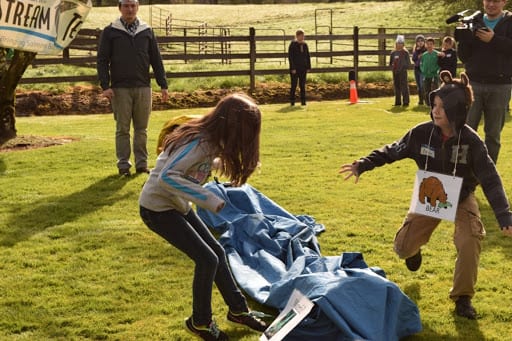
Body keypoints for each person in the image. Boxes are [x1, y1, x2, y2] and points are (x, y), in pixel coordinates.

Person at [339, 71, 512, 320]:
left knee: (470, 240)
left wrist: (504, 215)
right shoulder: (421, 133)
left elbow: (491, 179)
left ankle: (463, 298)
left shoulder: (472, 142)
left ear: (457, 109)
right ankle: (413, 251)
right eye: (434, 105)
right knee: (402, 248)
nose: (435, 111)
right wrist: (363, 164)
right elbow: (392, 151)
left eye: (442, 107)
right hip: (430, 197)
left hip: (462, 197)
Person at [139, 94, 268, 340]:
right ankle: (200, 322)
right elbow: (168, 176)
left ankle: (239, 311)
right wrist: (210, 200)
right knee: (207, 259)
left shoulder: (211, 141)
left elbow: (196, 163)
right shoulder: (200, 141)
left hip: (177, 205)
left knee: (217, 252)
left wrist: (218, 164)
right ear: (231, 125)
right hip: (157, 209)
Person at [97, 0, 169, 177]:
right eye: (126, 6)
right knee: (122, 129)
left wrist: (163, 85)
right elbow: (102, 60)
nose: (129, 9)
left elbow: (156, 60)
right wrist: (105, 86)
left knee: (141, 129)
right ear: (119, 8)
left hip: (143, 87)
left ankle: (142, 165)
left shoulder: (147, 31)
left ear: (137, 8)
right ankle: (123, 166)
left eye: (133, 6)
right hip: (120, 89)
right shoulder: (110, 31)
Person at [455, 0, 512, 164]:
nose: (491, 4)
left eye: (496, 1)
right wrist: (464, 38)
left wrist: (494, 39)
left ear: (504, 2)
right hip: (473, 84)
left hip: (500, 86)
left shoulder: (510, 22)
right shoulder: (473, 20)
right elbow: (464, 56)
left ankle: (488, 173)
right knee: (464, 130)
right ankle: (459, 172)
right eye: (488, 0)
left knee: (493, 135)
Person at [288, 29, 311, 106]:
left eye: (303, 36)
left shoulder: (305, 45)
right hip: (295, 68)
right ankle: (292, 102)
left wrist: (308, 67)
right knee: (294, 85)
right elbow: (290, 57)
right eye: (301, 36)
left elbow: (307, 56)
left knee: (302, 85)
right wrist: (292, 68)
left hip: (303, 68)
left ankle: (303, 102)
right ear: (297, 36)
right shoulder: (293, 44)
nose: (302, 37)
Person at [390, 35, 411, 106]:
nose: (399, 45)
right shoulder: (393, 53)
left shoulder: (405, 53)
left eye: (401, 43)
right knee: (397, 86)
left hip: (403, 72)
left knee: (404, 86)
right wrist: (393, 68)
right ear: (396, 44)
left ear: (403, 44)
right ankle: (397, 102)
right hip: (395, 72)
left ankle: (406, 101)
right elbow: (391, 63)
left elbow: (408, 63)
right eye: (398, 43)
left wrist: (403, 67)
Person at [420, 37, 440, 106]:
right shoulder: (424, 55)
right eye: (428, 44)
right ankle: (428, 103)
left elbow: (439, 64)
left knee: (435, 89)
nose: (429, 46)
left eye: (431, 44)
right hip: (426, 75)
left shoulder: (437, 54)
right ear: (426, 45)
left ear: (433, 45)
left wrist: (435, 70)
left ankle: (435, 103)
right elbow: (421, 64)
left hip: (434, 75)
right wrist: (423, 70)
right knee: (426, 90)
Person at [412, 34, 427, 105]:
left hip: (423, 69)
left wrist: (422, 56)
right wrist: (417, 56)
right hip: (416, 69)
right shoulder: (415, 50)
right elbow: (413, 59)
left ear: (424, 42)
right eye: (418, 41)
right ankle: (420, 100)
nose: (420, 42)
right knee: (418, 85)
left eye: (422, 41)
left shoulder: (426, 50)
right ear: (416, 43)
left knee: (422, 84)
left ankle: (425, 99)